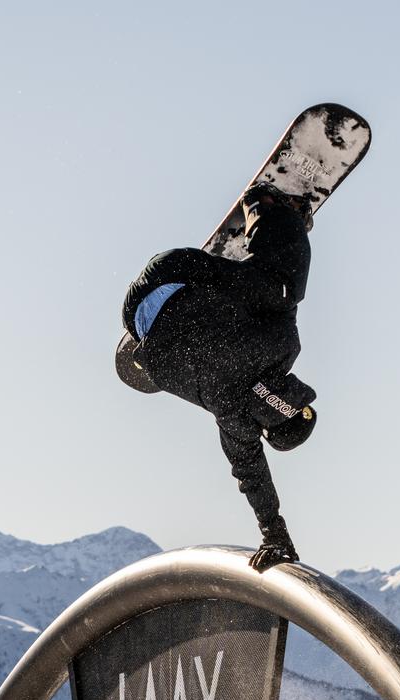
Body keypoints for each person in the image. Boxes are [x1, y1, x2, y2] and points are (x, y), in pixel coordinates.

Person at [115, 185, 319, 572]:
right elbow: (251, 477)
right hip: (136, 318)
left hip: (174, 273)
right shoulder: (236, 421)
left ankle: (270, 207)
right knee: (260, 298)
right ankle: (165, 327)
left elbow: (280, 299)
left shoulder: (280, 348)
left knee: (283, 287)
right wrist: (274, 533)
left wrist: (293, 233)